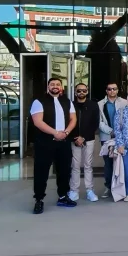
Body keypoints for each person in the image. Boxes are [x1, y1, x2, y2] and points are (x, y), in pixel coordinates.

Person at [30, 78, 77, 214]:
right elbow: (38, 122)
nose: (55, 86)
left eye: (57, 84)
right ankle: (39, 200)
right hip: (45, 142)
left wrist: (66, 132)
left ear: (61, 87)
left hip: (64, 141)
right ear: (48, 87)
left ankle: (63, 197)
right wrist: (55, 133)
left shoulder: (67, 101)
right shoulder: (39, 101)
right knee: (41, 172)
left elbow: (73, 119)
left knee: (64, 171)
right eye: (52, 84)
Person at [68, 83, 100, 203]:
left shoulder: (93, 105)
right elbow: (68, 122)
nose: (81, 92)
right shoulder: (70, 105)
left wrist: (84, 137)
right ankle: (74, 190)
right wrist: (75, 138)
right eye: (79, 90)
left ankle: (89, 190)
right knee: (75, 166)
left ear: (87, 91)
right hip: (74, 140)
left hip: (89, 139)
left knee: (88, 165)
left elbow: (95, 123)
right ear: (75, 92)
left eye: (84, 90)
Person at [97, 82, 127, 198]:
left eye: (114, 89)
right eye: (109, 89)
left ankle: (122, 187)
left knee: (122, 163)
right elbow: (99, 122)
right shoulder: (100, 104)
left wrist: (120, 132)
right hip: (107, 137)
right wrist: (111, 131)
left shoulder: (124, 102)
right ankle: (109, 187)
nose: (112, 91)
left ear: (118, 90)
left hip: (122, 137)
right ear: (106, 91)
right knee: (108, 163)